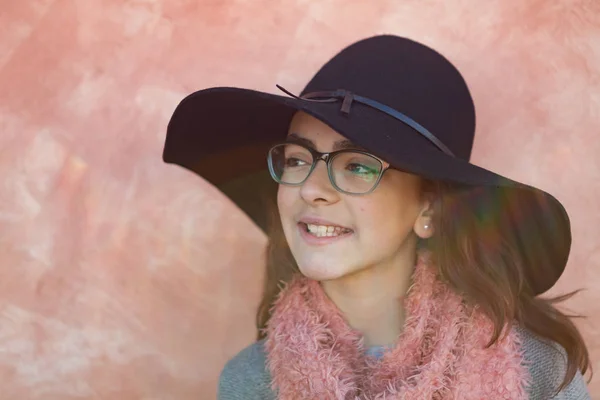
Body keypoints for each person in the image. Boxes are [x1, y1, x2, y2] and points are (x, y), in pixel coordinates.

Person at [163, 35, 591, 399]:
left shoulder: (539, 373)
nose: (311, 189)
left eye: (357, 165)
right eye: (297, 160)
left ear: (429, 208)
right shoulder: (250, 382)